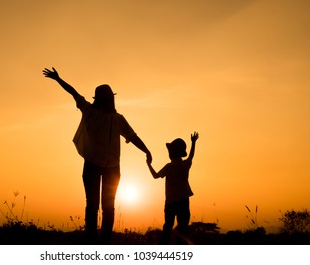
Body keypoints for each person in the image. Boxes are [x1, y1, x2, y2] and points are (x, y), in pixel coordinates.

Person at [42, 67, 152, 244]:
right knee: (94, 205)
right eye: (109, 98)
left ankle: (103, 242)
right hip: (94, 165)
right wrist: (58, 79)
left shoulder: (117, 119)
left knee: (106, 207)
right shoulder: (90, 111)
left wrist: (147, 151)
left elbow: (133, 136)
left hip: (111, 167)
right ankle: (92, 240)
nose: (111, 101)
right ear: (106, 99)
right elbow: (73, 92)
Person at [147, 132, 199, 244]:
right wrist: (193, 143)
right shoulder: (185, 165)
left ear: (172, 152)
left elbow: (155, 176)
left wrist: (149, 164)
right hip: (184, 200)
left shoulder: (169, 167)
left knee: (168, 227)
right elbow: (191, 156)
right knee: (183, 227)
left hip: (170, 201)